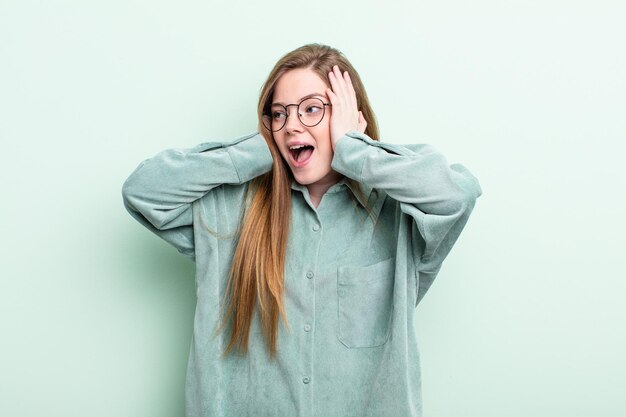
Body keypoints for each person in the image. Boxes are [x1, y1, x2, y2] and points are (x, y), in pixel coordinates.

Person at [121, 43, 482, 417]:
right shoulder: (230, 211)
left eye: (312, 109)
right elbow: (143, 191)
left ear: (346, 117)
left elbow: (456, 195)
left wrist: (356, 151)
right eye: (279, 114)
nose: (292, 124)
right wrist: (258, 149)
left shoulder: (399, 215)